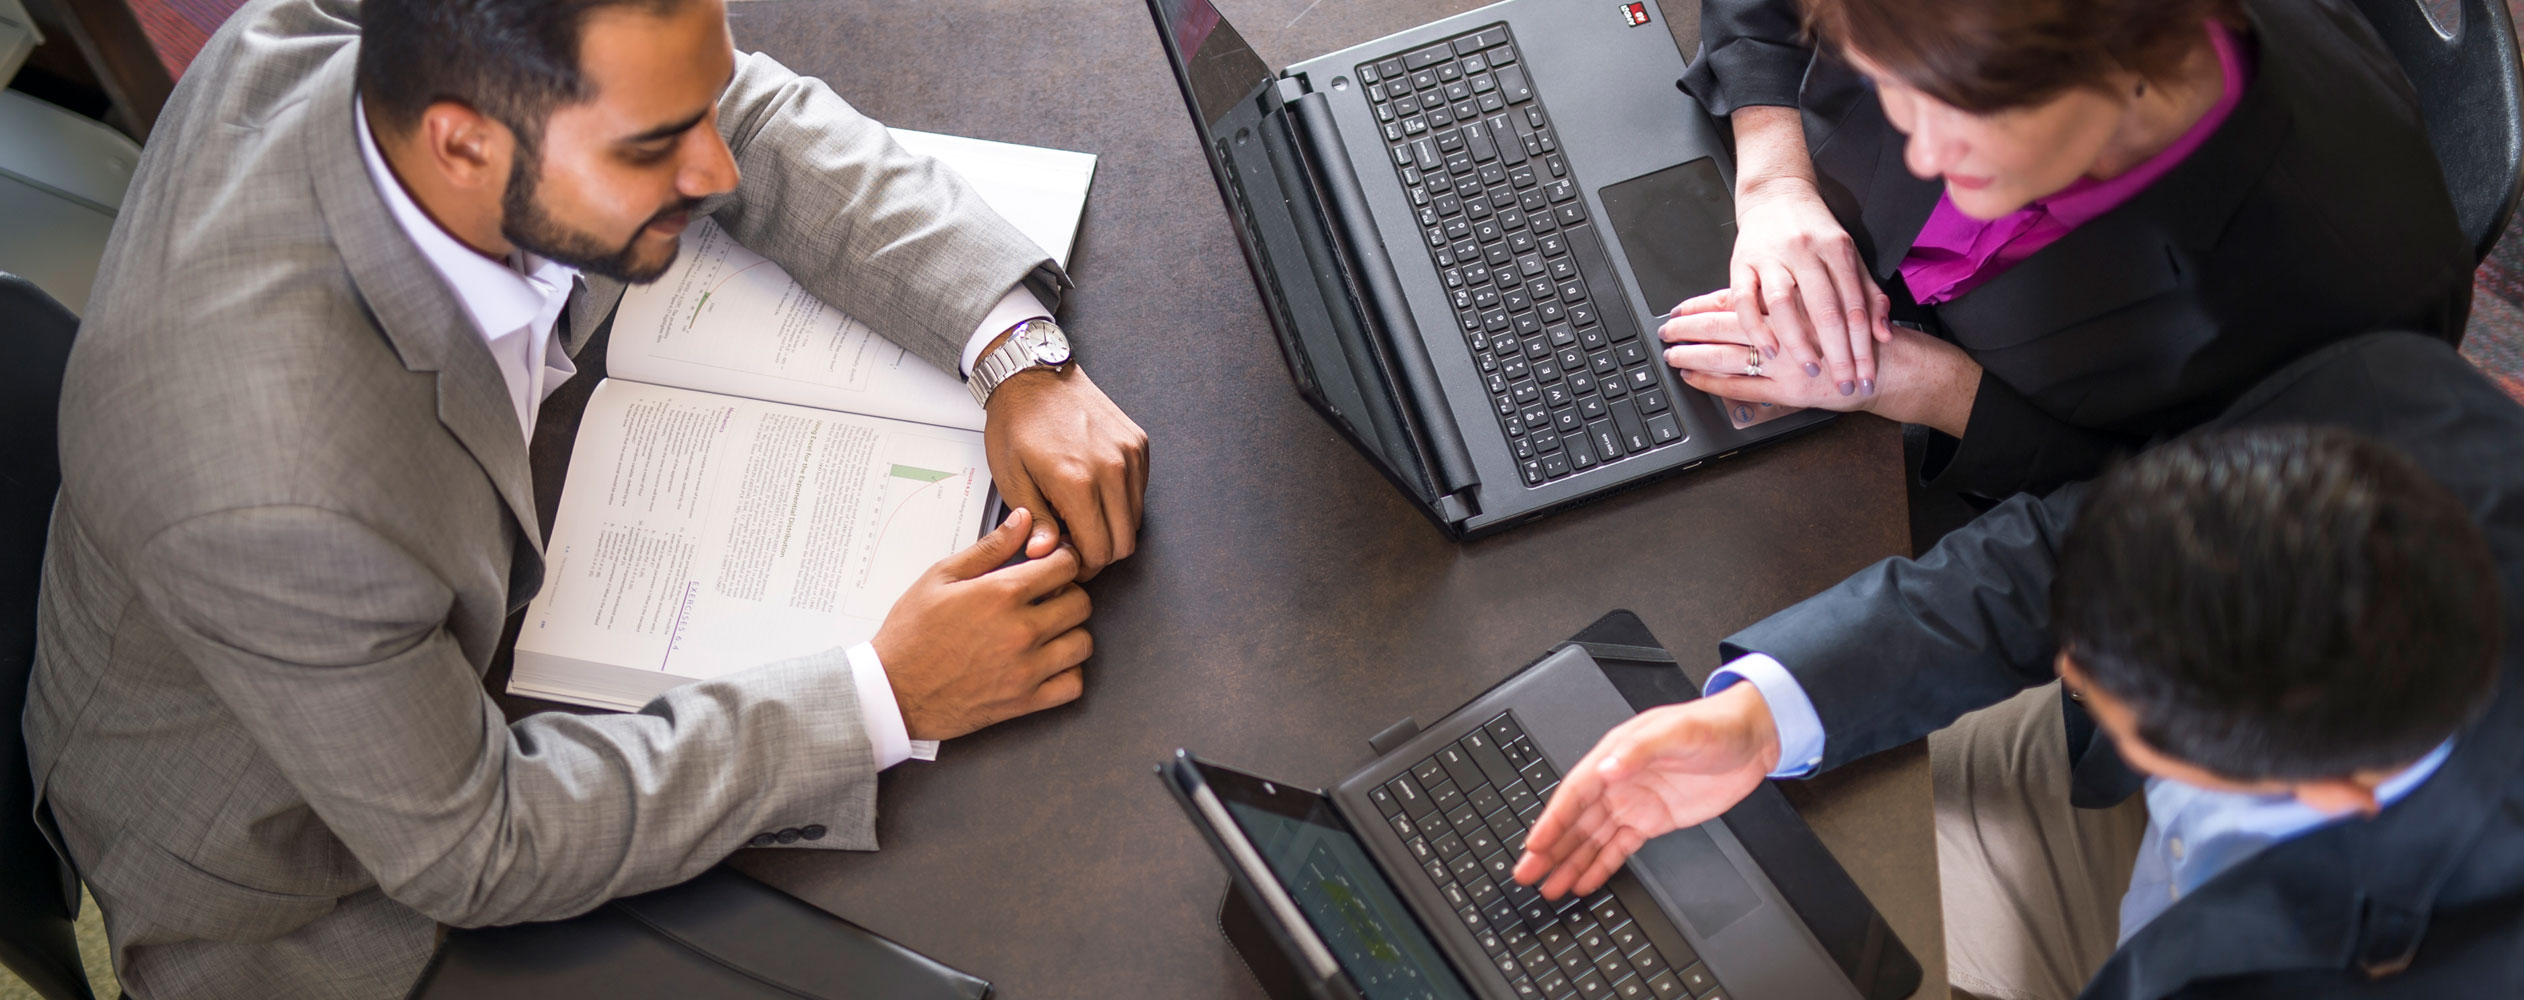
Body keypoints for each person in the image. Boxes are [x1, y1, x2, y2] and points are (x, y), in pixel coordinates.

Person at [27, 0, 1148, 995]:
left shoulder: (392, 45)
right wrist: (883, 692)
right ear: (462, 142)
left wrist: (1011, 348)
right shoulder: (267, 490)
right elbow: (475, 846)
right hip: (328, 895)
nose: (715, 168)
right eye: (656, 147)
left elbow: (741, 115)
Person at [1513, 330, 2524, 999]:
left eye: (2107, 691)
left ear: (2330, 783)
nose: (2068, 657)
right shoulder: (2387, 398)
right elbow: (2045, 560)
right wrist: (1761, 716)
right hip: (2117, 836)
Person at [1659, 0, 2472, 500]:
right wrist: (1774, 172)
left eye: (1960, 119)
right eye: (1890, 86)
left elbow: (2165, 498)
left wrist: (1922, 386)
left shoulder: (2331, 310)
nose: (1919, 156)